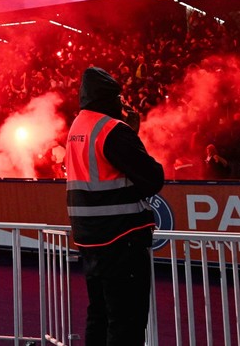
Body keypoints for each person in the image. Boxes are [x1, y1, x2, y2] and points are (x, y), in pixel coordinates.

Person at [65, 67, 164, 345]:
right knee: (127, 321)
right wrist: (132, 133)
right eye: (119, 99)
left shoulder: (77, 127)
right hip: (121, 239)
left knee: (99, 314)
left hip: (90, 239)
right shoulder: (113, 130)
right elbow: (153, 178)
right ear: (110, 97)